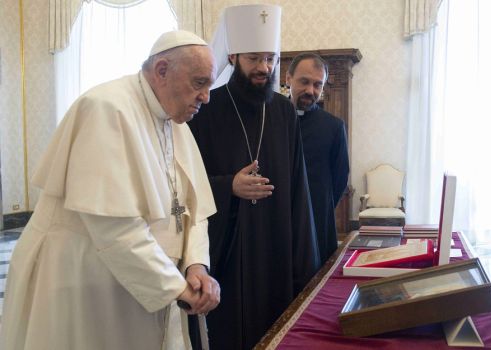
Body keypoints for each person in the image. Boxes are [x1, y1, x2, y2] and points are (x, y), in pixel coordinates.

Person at [0, 30, 220, 350]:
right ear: (161, 71)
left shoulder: (174, 121)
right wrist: (175, 286)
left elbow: (193, 208)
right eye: (199, 83)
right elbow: (113, 227)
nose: (206, 97)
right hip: (87, 283)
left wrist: (195, 264)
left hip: (151, 282)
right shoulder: (105, 108)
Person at [187, 5, 320, 350]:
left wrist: (305, 265)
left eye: (271, 58)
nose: (264, 67)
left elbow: (298, 189)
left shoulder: (282, 111)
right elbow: (185, 186)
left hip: (274, 244)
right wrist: (228, 186)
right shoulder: (205, 110)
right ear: (232, 56)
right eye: (254, 58)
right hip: (225, 251)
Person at [286, 53, 350, 265]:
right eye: (304, 82)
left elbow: (340, 178)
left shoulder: (333, 126)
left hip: (317, 220)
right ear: (288, 79)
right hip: (276, 222)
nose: (310, 91)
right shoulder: (270, 119)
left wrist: (319, 206)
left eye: (317, 84)